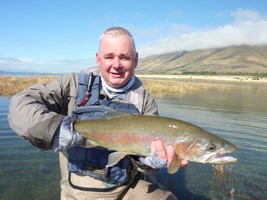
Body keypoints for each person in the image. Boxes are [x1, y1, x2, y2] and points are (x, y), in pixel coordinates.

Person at [8, 27, 188, 200]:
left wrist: (150, 162)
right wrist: (56, 130)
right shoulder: (71, 84)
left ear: (135, 59)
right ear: (98, 59)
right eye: (109, 57)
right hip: (79, 191)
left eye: (124, 57)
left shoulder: (145, 101)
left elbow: (147, 166)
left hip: (128, 188)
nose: (116, 65)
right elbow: (20, 105)